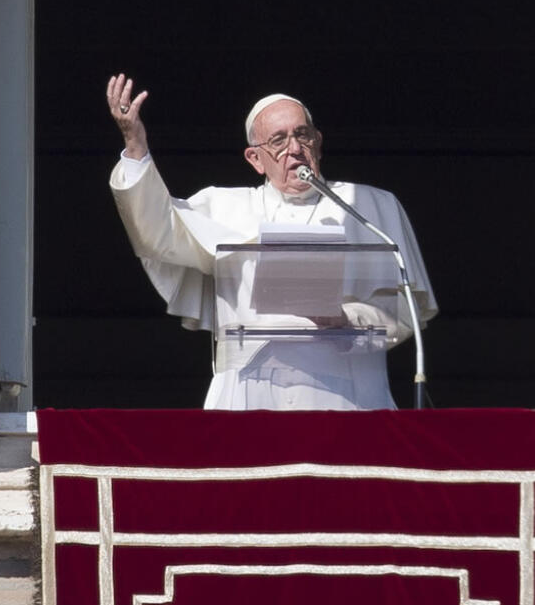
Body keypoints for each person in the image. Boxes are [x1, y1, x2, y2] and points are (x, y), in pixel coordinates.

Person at [106, 74, 437, 410]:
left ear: (318, 142)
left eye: (302, 135)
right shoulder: (225, 207)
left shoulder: (371, 207)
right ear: (254, 158)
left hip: (348, 398)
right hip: (250, 395)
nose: (294, 148)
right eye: (278, 141)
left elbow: (407, 310)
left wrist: (346, 319)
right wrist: (135, 147)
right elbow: (158, 230)